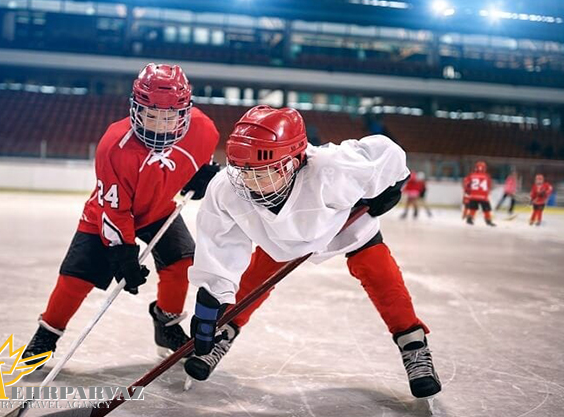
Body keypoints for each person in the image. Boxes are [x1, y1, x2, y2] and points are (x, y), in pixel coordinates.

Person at [184, 106, 441, 400]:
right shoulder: (228, 188)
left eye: (262, 173)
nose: (250, 183)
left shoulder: (333, 168)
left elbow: (388, 153)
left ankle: (413, 344)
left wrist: (392, 185)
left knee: (379, 272)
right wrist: (210, 306)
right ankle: (224, 332)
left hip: (341, 225)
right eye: (244, 171)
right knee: (254, 278)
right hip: (280, 238)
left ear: (293, 163)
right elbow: (219, 245)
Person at [22, 63, 220, 365]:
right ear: (135, 109)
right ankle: (47, 332)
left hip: (159, 210)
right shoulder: (114, 145)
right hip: (107, 214)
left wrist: (200, 178)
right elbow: (115, 210)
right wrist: (123, 252)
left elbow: (194, 169)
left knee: (182, 262)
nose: (158, 125)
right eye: (150, 115)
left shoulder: (204, 131)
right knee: (77, 277)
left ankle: (166, 325)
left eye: (168, 117)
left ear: (184, 113)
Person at [463, 161, 496, 227]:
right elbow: (489, 186)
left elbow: (467, 184)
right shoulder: (487, 176)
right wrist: (488, 192)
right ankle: (488, 220)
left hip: (473, 195)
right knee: (486, 209)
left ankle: (470, 218)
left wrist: (467, 192)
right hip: (483, 196)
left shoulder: (471, 175)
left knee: (473, 208)